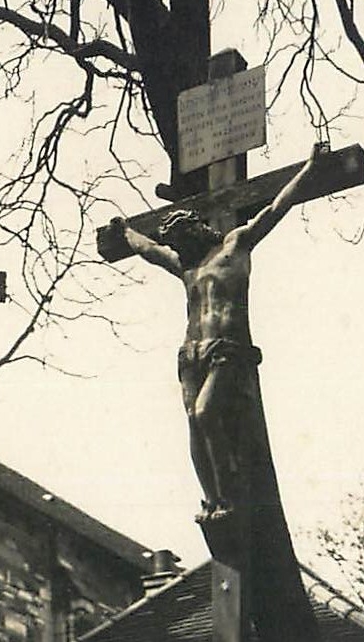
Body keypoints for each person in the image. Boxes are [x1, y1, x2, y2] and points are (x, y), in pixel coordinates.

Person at [109, 140, 328, 532]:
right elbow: (148, 249)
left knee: (206, 412)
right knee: (194, 422)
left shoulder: (235, 246)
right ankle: (211, 499)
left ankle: (226, 495)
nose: (180, 243)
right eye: (176, 240)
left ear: (198, 227)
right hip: (190, 353)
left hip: (226, 350)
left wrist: (310, 169)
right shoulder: (185, 266)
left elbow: (275, 208)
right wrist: (125, 232)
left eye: (183, 234)